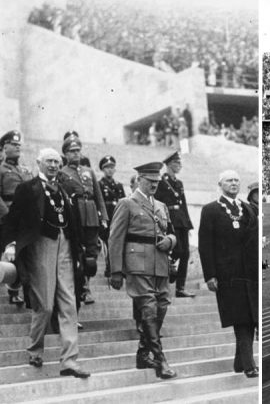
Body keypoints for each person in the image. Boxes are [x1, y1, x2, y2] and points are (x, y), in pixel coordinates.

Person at [2, 148, 90, 378]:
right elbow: (12, 220)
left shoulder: (63, 189)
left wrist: (80, 251)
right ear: (38, 163)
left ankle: (69, 361)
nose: (53, 165)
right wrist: (10, 244)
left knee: (69, 304)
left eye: (57, 162)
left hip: (65, 247)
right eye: (49, 161)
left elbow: (74, 224)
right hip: (40, 246)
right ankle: (35, 348)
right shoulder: (26, 189)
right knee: (46, 305)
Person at [108, 161, 178, 379]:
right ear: (139, 180)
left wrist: (171, 241)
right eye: (150, 181)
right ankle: (160, 359)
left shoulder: (161, 206)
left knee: (162, 305)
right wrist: (116, 271)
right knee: (148, 308)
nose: (154, 185)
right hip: (137, 264)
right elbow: (115, 237)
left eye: (157, 182)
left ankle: (142, 352)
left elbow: (173, 233)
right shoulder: (127, 203)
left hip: (160, 263)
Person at [198, 170, 259, 378]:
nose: (234, 183)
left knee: (250, 318)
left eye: (236, 180)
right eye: (229, 180)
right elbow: (205, 245)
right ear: (220, 184)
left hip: (249, 273)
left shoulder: (248, 209)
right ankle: (249, 364)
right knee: (241, 318)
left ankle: (239, 362)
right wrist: (210, 275)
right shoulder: (211, 210)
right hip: (227, 275)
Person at [58, 137, 107, 304]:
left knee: (92, 254)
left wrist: (104, 217)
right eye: (72, 151)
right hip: (75, 214)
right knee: (78, 253)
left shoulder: (88, 171)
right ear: (65, 154)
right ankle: (83, 288)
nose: (76, 153)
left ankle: (87, 285)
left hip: (91, 213)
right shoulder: (62, 173)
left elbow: (98, 196)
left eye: (78, 150)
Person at [0, 131, 34, 305]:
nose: (17, 147)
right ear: (4, 147)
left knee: (21, 255)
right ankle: (11, 289)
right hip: (5, 219)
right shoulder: (1, 169)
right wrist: (7, 215)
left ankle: (14, 289)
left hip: (24, 221)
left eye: (19, 144)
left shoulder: (25, 170)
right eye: (13, 144)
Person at [154, 151, 194, 298]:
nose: (180, 166)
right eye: (177, 163)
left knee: (186, 253)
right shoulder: (161, 182)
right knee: (177, 250)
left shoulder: (179, 183)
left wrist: (188, 224)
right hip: (170, 219)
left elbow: (183, 204)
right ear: (170, 164)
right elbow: (158, 203)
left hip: (182, 220)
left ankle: (180, 288)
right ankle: (169, 267)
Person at [97, 155, 126, 277]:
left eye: (112, 167)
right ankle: (110, 266)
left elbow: (124, 202)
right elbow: (98, 202)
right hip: (106, 217)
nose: (109, 170)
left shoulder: (118, 185)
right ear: (103, 170)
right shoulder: (99, 184)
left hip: (117, 216)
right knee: (109, 242)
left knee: (119, 241)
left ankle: (120, 267)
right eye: (107, 167)